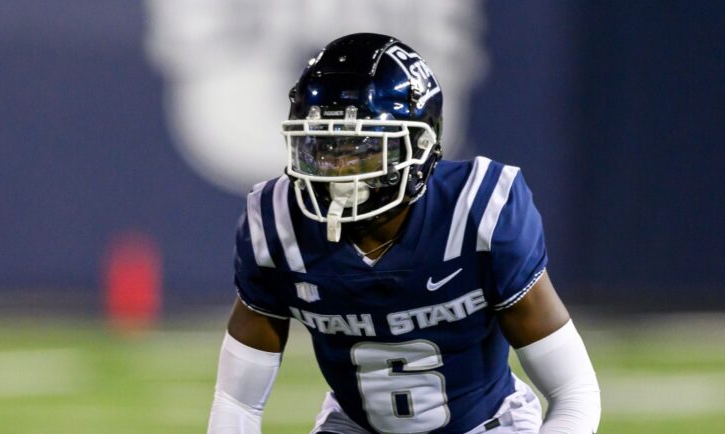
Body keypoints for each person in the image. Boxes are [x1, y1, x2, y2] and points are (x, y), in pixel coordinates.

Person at [207, 33, 601, 434]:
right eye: (324, 147)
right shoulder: (277, 222)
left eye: (360, 149)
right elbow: (237, 402)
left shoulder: (480, 211)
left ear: (419, 147)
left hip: (485, 425)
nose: (337, 171)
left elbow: (573, 393)